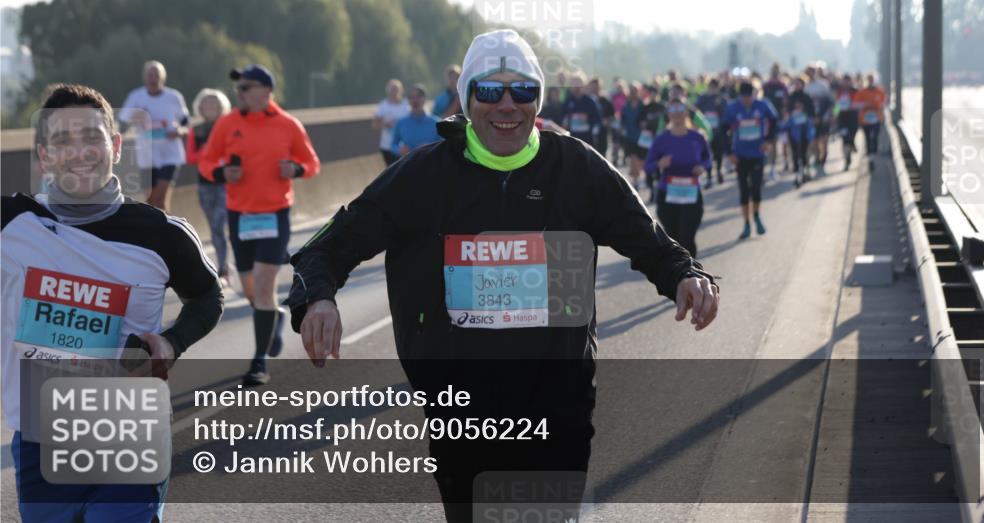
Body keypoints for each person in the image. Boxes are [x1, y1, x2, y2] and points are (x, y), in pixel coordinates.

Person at [285, 29, 719, 523]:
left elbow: (650, 240)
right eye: (489, 91)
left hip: (557, 406)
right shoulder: (424, 176)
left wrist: (685, 274)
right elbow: (327, 246)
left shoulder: (576, 168)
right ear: (468, 99)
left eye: (523, 91)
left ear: (539, 99)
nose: (506, 105)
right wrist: (318, 299)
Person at [3, 83, 223, 523]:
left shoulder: (162, 235)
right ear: (44, 157)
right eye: (61, 141)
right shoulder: (10, 223)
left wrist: (171, 342)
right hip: (39, 435)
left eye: (91, 138)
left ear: (116, 146)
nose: (78, 152)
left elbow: (207, 295)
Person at [197, 64, 320, 385]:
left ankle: (258, 361)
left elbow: (312, 163)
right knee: (249, 289)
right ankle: (273, 317)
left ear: (266, 91)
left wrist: (295, 169)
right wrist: (222, 173)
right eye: (238, 89)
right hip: (241, 216)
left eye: (245, 87)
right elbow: (206, 161)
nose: (238, 93)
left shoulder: (288, 125)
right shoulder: (227, 124)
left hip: (275, 215)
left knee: (264, 288)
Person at [119, 60, 190, 211]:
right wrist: (134, 118)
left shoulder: (173, 97)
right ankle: (157, 231)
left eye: (156, 74)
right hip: (147, 154)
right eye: (149, 75)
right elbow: (122, 122)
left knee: (161, 198)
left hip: (170, 154)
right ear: (144, 77)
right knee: (151, 200)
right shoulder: (135, 97)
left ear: (163, 77)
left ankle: (168, 232)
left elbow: (185, 122)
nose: (153, 78)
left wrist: (180, 131)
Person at [644, 98, 712, 256]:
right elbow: (648, 166)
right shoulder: (661, 139)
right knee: (674, 239)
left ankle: (692, 273)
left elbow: (707, 158)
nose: (677, 115)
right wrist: (659, 163)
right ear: (668, 114)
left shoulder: (697, 137)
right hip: (668, 195)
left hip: (692, 195)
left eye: (680, 111)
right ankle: (679, 277)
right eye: (673, 111)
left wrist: (702, 166)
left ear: (686, 113)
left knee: (687, 237)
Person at [186, 88, 233, 286]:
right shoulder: (196, 130)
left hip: (225, 184)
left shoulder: (228, 127)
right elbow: (189, 158)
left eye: (214, 103)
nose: (211, 107)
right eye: (207, 103)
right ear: (200, 108)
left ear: (222, 106)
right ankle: (224, 265)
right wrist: (206, 153)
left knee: (218, 224)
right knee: (215, 230)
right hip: (205, 184)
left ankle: (223, 267)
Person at [723, 81, 779, 239]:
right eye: (744, 97)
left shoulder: (762, 105)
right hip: (740, 155)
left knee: (756, 187)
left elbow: (774, 121)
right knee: (744, 190)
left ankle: (757, 217)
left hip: (757, 154)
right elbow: (722, 129)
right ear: (740, 96)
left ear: (753, 94)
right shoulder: (733, 108)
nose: (747, 100)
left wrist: (768, 141)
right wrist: (729, 152)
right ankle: (746, 223)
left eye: (749, 96)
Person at [694, 78, 730, 188]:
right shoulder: (702, 98)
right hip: (706, 132)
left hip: (718, 131)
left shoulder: (722, 99)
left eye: (715, 87)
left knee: (718, 153)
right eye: (711, 86)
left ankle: (719, 171)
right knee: (708, 153)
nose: (713, 89)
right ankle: (709, 176)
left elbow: (726, 113)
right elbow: (695, 110)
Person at [391, 84, 443, 156]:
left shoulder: (437, 122)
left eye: (418, 97)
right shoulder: (401, 123)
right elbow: (393, 145)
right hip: (409, 165)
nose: (415, 100)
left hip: (432, 164)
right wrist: (399, 150)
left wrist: (432, 148)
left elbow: (446, 145)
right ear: (408, 100)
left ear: (425, 99)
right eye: (412, 97)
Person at [373, 79, 410, 166]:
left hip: (405, 146)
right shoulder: (383, 106)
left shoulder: (407, 105)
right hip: (387, 146)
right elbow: (375, 124)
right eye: (392, 90)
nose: (394, 92)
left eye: (396, 89)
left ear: (402, 91)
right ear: (388, 91)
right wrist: (385, 124)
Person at [855, 73, 886, 171]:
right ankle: (870, 158)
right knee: (868, 138)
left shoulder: (880, 92)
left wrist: (878, 106)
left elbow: (884, 103)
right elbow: (855, 104)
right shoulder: (862, 92)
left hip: (877, 119)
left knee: (875, 137)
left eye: (872, 80)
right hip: (865, 120)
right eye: (869, 80)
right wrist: (865, 105)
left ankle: (873, 156)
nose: (870, 82)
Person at [560, 73, 601, 146]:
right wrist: (565, 121)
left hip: (587, 139)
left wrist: (592, 126)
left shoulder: (590, 101)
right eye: (574, 86)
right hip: (572, 138)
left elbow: (597, 118)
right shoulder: (568, 101)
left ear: (583, 86)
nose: (577, 88)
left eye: (579, 86)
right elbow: (563, 117)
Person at [834, 75, 860, 171]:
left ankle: (852, 145)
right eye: (844, 82)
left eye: (847, 81)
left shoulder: (855, 91)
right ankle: (847, 159)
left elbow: (859, 103)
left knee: (851, 136)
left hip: (852, 118)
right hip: (842, 118)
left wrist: (853, 106)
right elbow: (836, 105)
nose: (845, 83)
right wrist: (835, 114)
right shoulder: (840, 92)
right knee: (845, 139)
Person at [587, 77, 615, 159]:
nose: (595, 89)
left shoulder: (605, 100)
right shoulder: (586, 100)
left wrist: (607, 121)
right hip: (589, 132)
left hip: (602, 132)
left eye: (596, 86)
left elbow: (612, 115)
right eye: (593, 86)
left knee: (602, 155)